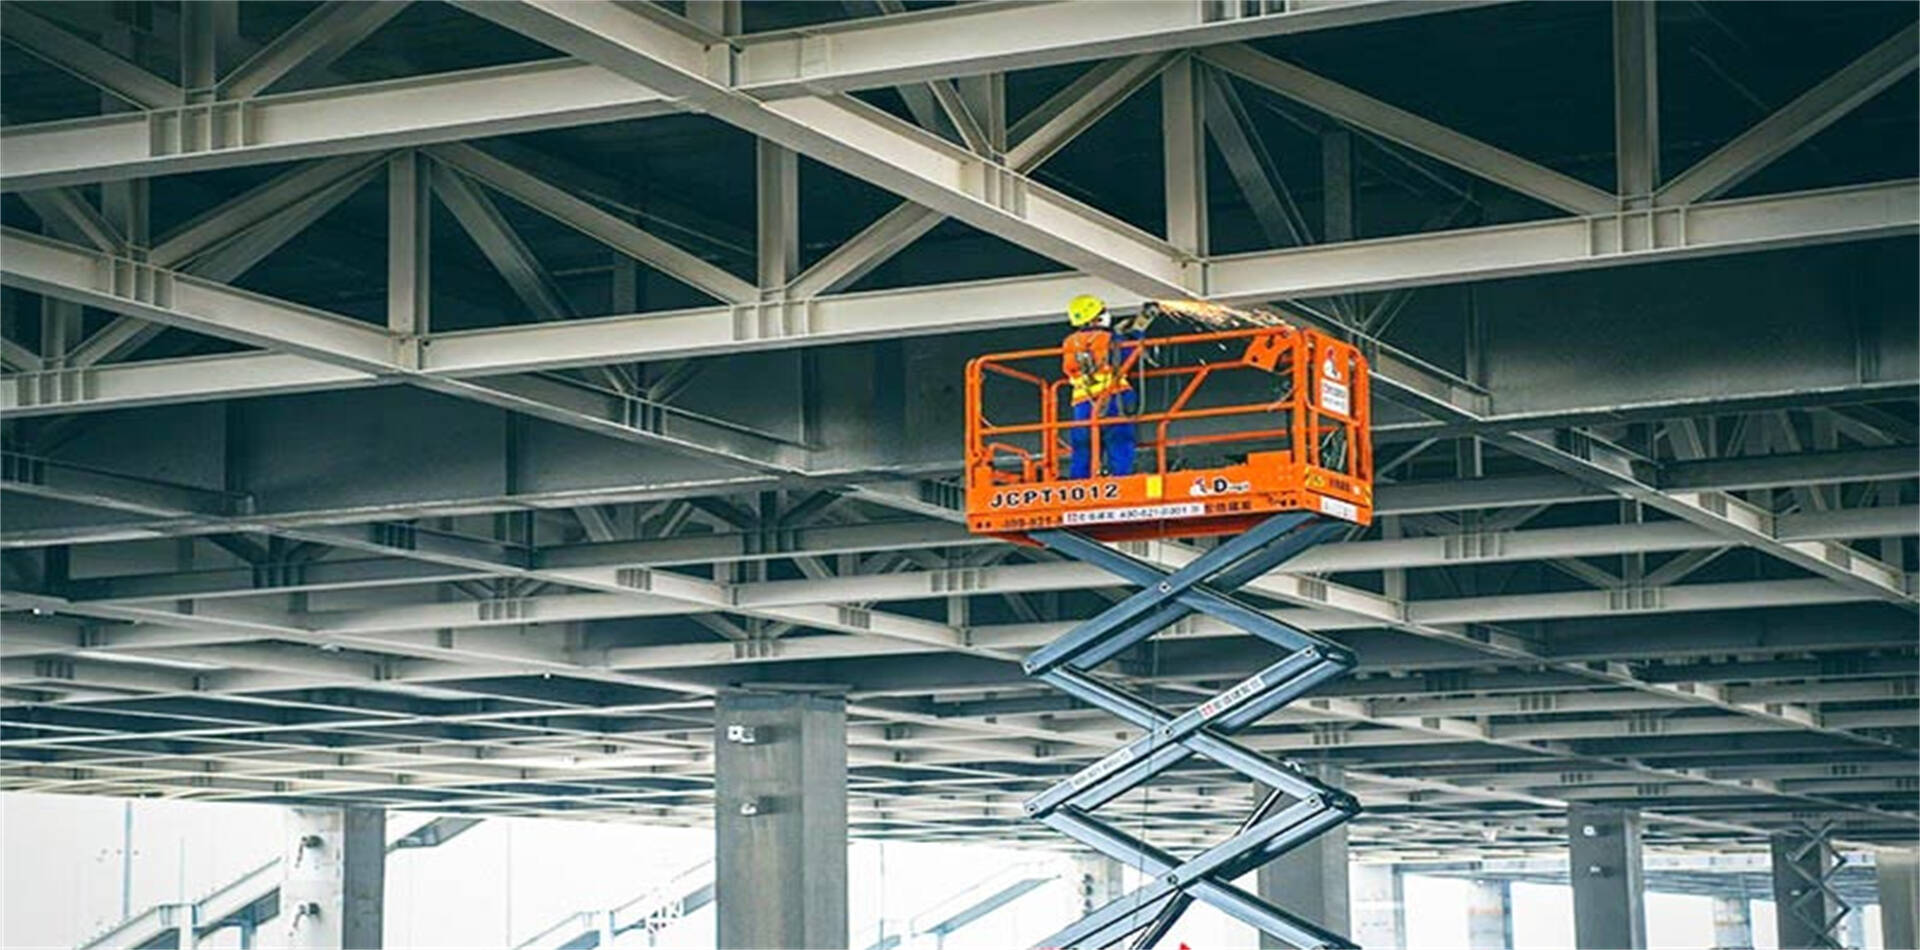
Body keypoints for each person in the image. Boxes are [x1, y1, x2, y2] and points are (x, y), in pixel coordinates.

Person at [1061, 295, 1156, 479]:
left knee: (1084, 446)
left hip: (1082, 404)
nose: (1106, 315)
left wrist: (1119, 335)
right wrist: (1136, 332)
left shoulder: (1070, 342)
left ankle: (1079, 484)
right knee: (1120, 441)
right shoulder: (1108, 338)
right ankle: (1121, 480)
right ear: (1094, 318)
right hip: (1114, 398)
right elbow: (1127, 356)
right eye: (1102, 312)